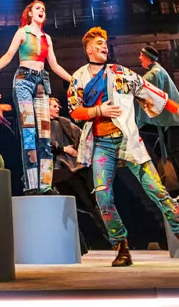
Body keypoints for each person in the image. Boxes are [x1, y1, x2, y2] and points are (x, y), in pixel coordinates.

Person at [67, 27, 179, 267]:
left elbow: (151, 91)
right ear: (89, 49)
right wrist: (98, 110)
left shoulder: (120, 73)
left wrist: (178, 109)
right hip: (102, 145)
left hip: (128, 141)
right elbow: (74, 110)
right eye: (99, 43)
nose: (104, 46)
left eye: (105, 43)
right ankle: (121, 248)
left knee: (159, 192)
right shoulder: (78, 77)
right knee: (103, 197)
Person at [0, 0, 73, 193]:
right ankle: (31, 185)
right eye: (38, 8)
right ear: (30, 13)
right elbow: (9, 54)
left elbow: (54, 65)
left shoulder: (47, 38)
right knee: (29, 133)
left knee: (44, 135)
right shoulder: (22, 32)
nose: (42, 11)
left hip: (42, 83)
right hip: (24, 80)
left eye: (44, 9)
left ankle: (46, 185)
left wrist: (73, 80)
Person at [137, 46, 179, 201]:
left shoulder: (155, 73)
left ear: (148, 58)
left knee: (176, 152)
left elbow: (142, 87)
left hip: (174, 120)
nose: (139, 58)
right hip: (170, 121)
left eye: (141, 55)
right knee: (171, 151)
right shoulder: (156, 71)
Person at [48, 96, 105, 253]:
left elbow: (83, 136)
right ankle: (80, 246)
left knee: (88, 206)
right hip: (60, 173)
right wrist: (63, 149)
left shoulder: (63, 123)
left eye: (57, 106)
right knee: (73, 209)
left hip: (70, 171)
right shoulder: (45, 125)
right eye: (53, 106)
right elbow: (45, 144)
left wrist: (79, 152)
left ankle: (112, 239)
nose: (57, 108)